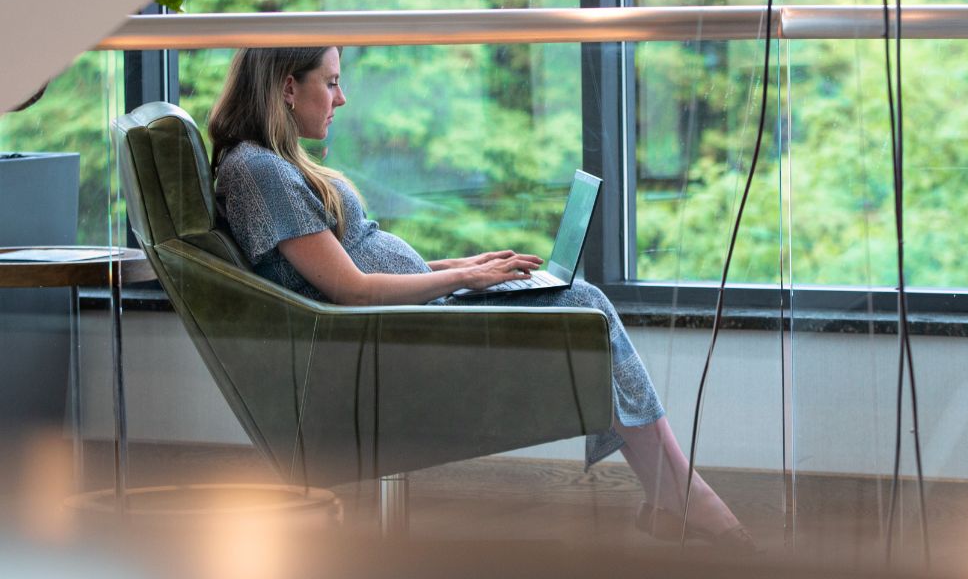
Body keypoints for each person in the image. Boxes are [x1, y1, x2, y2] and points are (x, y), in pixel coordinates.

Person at [209, 46, 756, 550]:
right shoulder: (258, 172)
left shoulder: (273, 165)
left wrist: (470, 268)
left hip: (404, 323)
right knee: (583, 308)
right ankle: (680, 495)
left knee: (581, 301)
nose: (342, 98)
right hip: (388, 343)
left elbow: (352, 263)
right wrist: (462, 282)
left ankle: (674, 494)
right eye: (330, 83)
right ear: (286, 87)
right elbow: (350, 290)